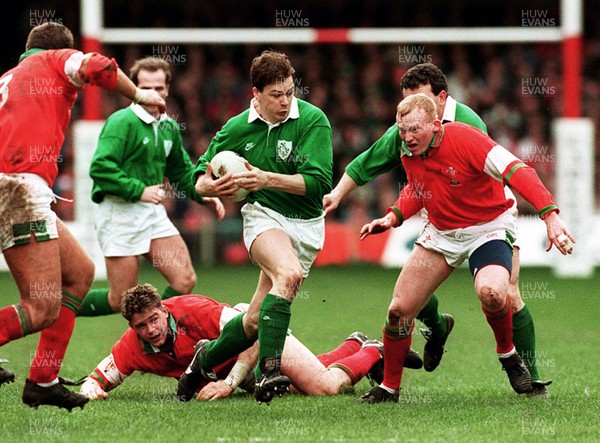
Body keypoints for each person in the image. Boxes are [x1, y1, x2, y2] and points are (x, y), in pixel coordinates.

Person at [324, 63, 552, 397]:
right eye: (403, 122)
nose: (406, 131)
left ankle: (522, 368)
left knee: (500, 294)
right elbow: (415, 186)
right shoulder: (408, 138)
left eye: (417, 112)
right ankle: (395, 381)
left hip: (487, 221)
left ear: (438, 107)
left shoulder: (467, 129)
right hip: (443, 226)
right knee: (399, 309)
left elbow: (511, 170)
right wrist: (392, 216)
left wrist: (550, 213)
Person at [0, 22, 165, 410]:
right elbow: (98, 66)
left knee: (78, 273)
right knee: (41, 307)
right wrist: (140, 94)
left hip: (15, 186)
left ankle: (43, 379)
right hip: (19, 188)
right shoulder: (55, 59)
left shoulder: (9, 77)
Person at [178, 50, 333, 404]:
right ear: (256, 94)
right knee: (289, 274)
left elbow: (319, 181)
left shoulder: (312, 121)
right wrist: (206, 186)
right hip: (264, 216)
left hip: (307, 226)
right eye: (276, 95)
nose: (285, 101)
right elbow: (197, 173)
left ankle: (202, 362)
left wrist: (265, 178)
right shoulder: (236, 128)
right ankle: (270, 370)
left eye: (290, 92)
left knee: (251, 321)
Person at [79, 284, 424, 400]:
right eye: (142, 325)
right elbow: (98, 377)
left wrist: (229, 383)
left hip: (262, 338)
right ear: (132, 327)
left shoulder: (194, 310)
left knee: (324, 388)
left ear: (163, 309)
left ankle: (372, 350)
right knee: (296, 382)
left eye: (154, 319)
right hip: (245, 370)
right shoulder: (133, 346)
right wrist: (90, 389)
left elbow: (254, 329)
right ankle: (354, 343)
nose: (151, 329)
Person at [78, 57, 224, 316]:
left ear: (167, 89)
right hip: (119, 214)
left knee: (184, 280)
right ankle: (59, 306)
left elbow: (180, 171)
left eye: (159, 88)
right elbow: (100, 168)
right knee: (120, 300)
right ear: (133, 89)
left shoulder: (168, 126)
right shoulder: (121, 122)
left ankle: (154, 332)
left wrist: (204, 192)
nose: (153, 93)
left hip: (151, 214)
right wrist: (139, 190)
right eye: (146, 87)